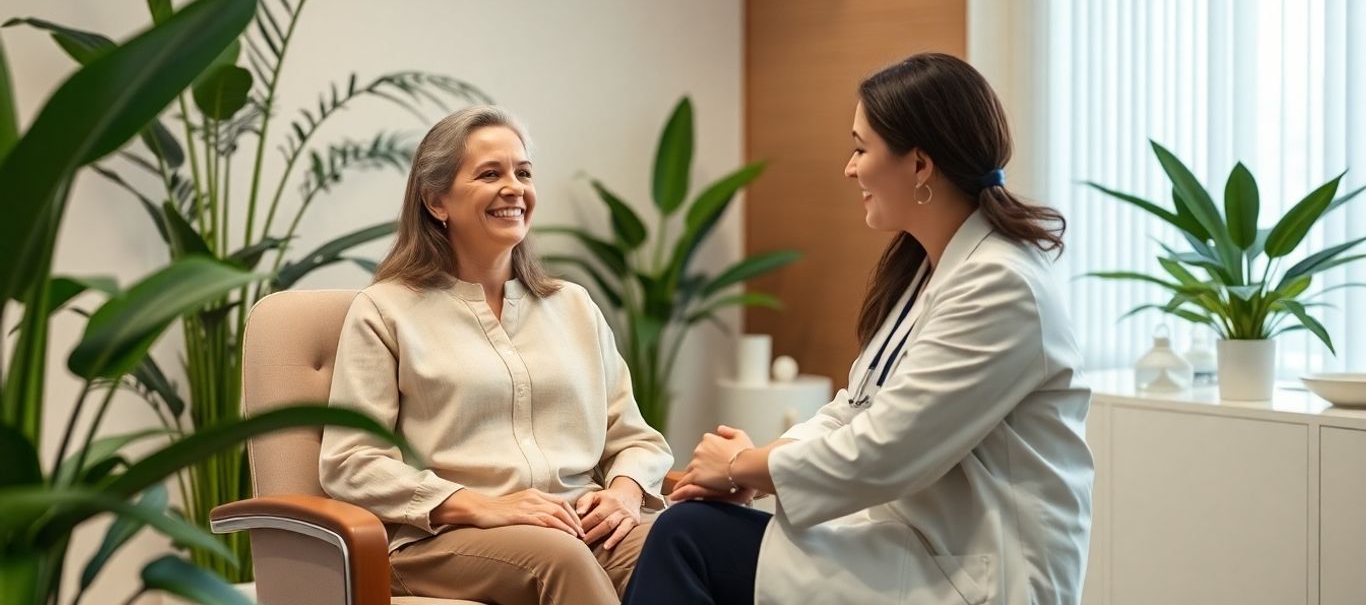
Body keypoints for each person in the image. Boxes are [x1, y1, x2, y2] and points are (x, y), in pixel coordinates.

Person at [623, 52, 1094, 605]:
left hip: (979, 571)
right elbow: (855, 408)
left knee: (689, 537)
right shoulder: (933, 268)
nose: (849, 168)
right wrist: (754, 467)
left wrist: (741, 466)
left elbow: (886, 451)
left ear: (920, 166)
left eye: (860, 147)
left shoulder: (1001, 286)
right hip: (912, 545)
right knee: (689, 531)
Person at [319, 106, 673, 604]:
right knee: (561, 558)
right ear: (436, 201)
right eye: (490, 174)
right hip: (444, 540)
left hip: (576, 524)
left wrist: (623, 494)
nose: (514, 187)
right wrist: (477, 505)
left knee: (681, 542)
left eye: (523, 173)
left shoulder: (573, 305)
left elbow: (636, 439)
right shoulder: (385, 310)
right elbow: (350, 462)